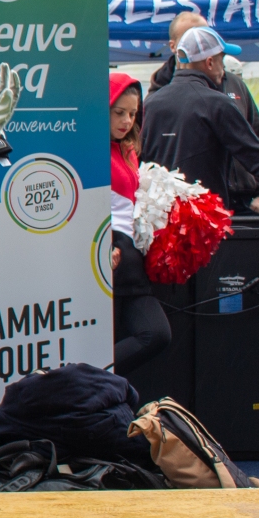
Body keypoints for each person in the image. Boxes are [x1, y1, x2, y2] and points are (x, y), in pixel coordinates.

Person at [141, 25, 259, 212]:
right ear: (209, 63)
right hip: (205, 218)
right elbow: (257, 159)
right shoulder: (217, 104)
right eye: (221, 62)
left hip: (161, 216)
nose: (223, 70)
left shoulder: (150, 104)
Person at [109, 73, 169, 373]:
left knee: (156, 333)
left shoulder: (128, 150)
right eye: (119, 112)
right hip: (109, 257)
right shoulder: (91, 151)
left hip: (133, 261)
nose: (127, 121)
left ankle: (88, 376)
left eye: (133, 114)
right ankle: (85, 379)